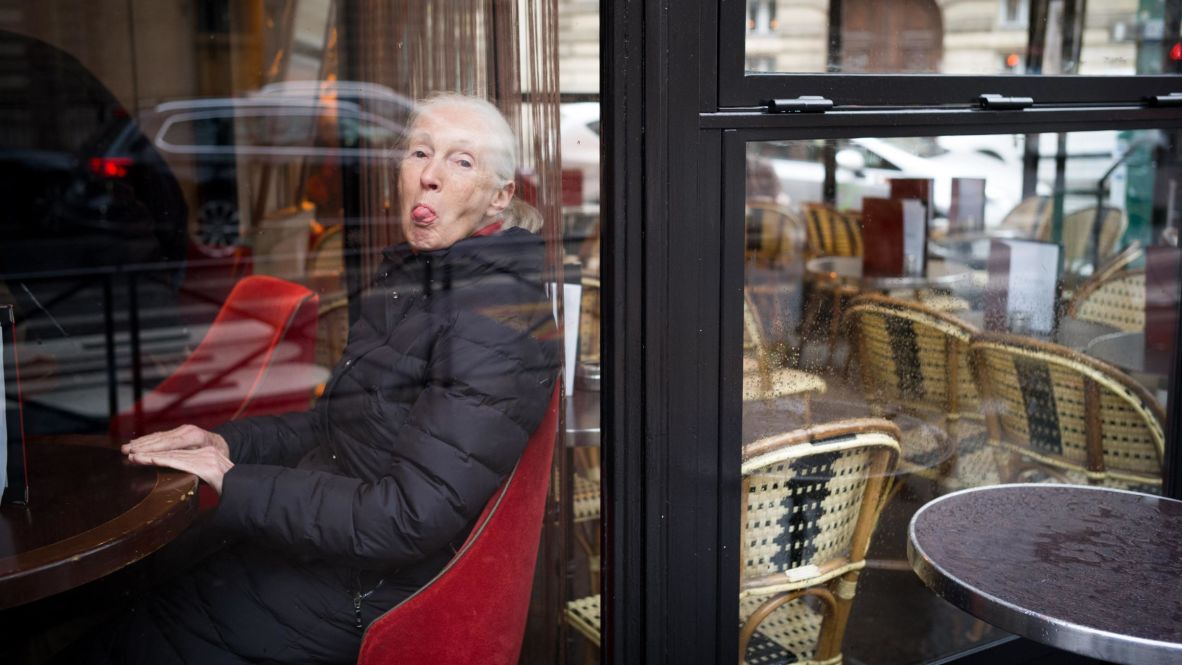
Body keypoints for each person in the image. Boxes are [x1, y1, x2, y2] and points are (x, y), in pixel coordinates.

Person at [59, 93, 559, 664]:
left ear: (500, 196)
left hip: (363, 591)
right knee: (121, 599)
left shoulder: (493, 318)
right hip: (320, 551)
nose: (430, 177)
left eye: (461, 161)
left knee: (124, 638)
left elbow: (405, 517)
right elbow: (333, 425)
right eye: (420, 153)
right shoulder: (416, 282)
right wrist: (227, 443)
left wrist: (234, 481)